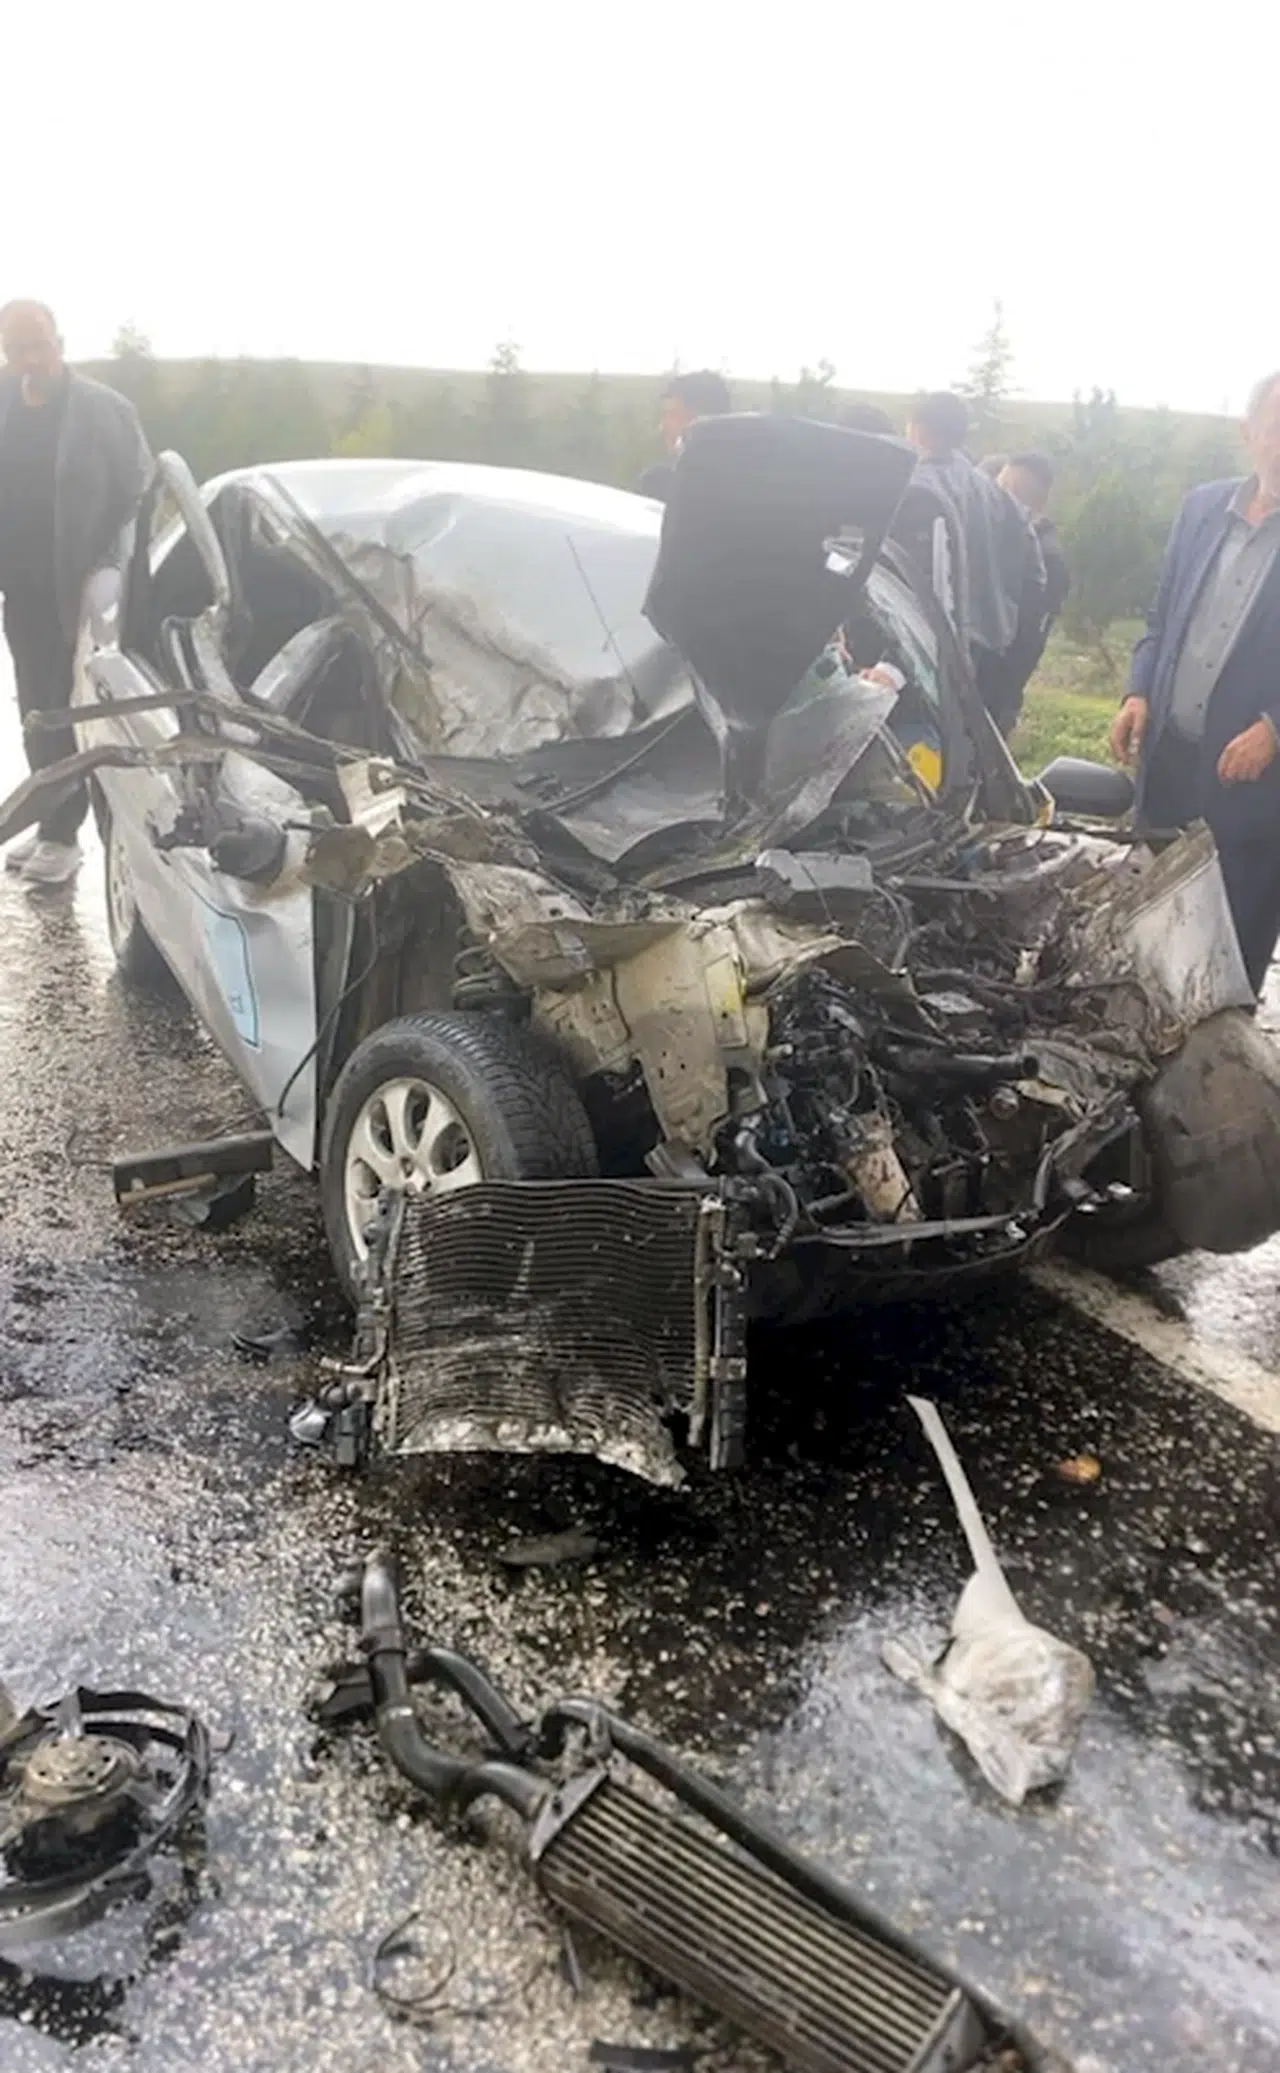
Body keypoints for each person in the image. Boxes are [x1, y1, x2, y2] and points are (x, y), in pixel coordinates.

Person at [1111, 370, 1280, 995]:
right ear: (1249, 433)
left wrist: (1275, 729)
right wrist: (1138, 691)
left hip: (1255, 789)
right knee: (1150, 939)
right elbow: (1161, 619)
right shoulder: (1201, 509)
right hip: (1170, 768)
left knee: (1228, 961)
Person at [0, 300, 151, 886]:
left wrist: (111, 569)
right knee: (36, 708)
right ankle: (49, 821)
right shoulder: (5, 402)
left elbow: (138, 491)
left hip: (82, 591)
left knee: (73, 708)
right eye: (17, 349)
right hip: (22, 589)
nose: (30, 359)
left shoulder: (101, 411)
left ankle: (65, 836)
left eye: (39, 346)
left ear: (59, 344)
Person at [904, 392, 1045, 734]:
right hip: (988, 658)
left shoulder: (912, 489)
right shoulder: (999, 497)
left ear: (917, 429)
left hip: (925, 656)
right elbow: (1036, 580)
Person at [994, 451, 1071, 722]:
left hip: (993, 699)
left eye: (1003, 489)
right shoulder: (1005, 539)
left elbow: (1027, 642)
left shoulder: (1048, 561)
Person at [638, 369, 732, 501]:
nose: (662, 427)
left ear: (700, 421)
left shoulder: (669, 488)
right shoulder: (749, 485)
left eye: (673, 414)